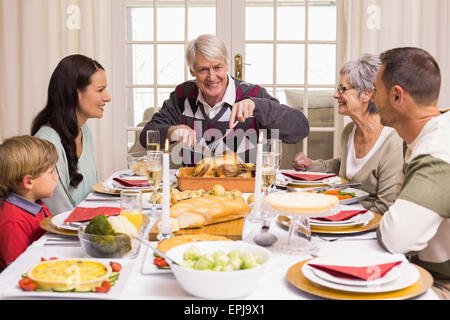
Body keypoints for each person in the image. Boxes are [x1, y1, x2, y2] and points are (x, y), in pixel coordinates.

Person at [139, 34, 309, 165]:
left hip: (245, 191)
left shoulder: (253, 94)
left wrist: (257, 106)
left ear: (227, 65)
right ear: (192, 71)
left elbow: (300, 128)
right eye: (203, 70)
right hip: (195, 193)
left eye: (217, 67)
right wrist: (172, 131)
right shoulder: (182, 95)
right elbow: (147, 137)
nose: (212, 77)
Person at [373, 47, 450, 299]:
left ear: (397, 96)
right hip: (420, 270)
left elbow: (397, 238)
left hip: (442, 284)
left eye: (376, 91)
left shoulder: (438, 148)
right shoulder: (422, 138)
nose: (372, 99)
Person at [292, 54, 404, 214]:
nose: (336, 95)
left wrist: (341, 219)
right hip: (342, 215)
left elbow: (385, 209)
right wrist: (312, 165)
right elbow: (344, 165)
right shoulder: (349, 131)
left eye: (342, 89)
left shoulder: (393, 142)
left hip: (369, 227)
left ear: (367, 94)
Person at [31, 54, 111, 214]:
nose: (107, 97)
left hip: (84, 226)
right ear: (74, 93)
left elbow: (90, 194)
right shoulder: (47, 142)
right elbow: (59, 213)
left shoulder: (84, 131)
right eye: (100, 90)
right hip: (65, 233)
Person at [0, 135, 59, 270]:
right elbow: (16, 270)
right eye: (51, 172)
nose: (56, 177)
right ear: (28, 182)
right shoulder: (13, 221)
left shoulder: (36, 203)